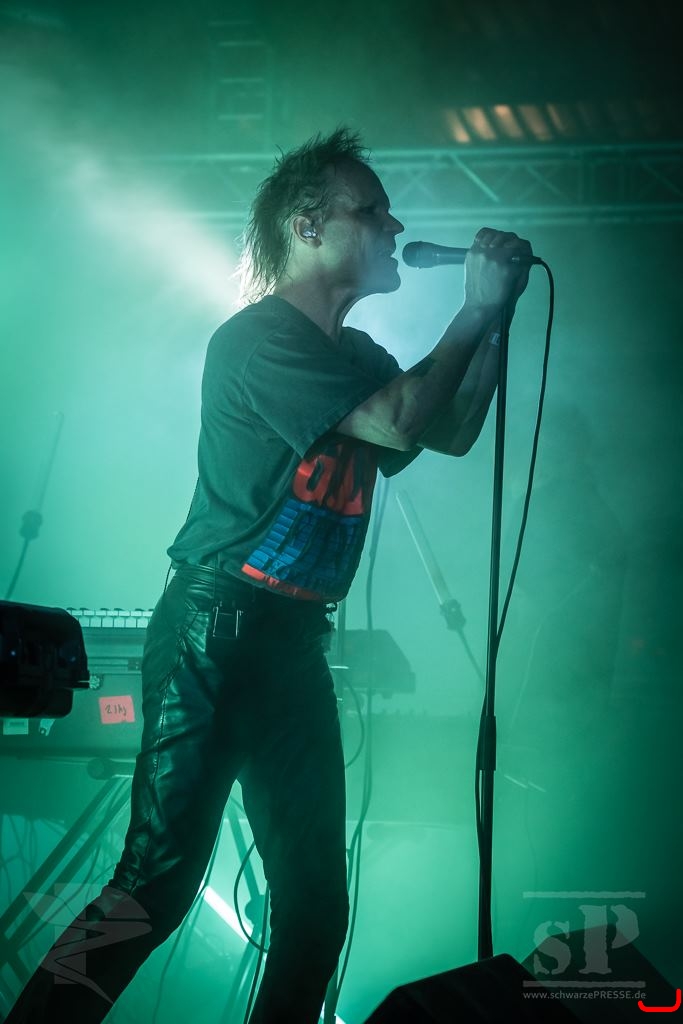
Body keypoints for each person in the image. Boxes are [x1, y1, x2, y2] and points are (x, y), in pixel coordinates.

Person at [6, 128, 531, 1024]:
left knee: (317, 908)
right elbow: (401, 421)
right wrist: (471, 311)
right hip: (213, 638)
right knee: (152, 887)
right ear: (308, 226)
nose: (394, 225)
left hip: (292, 651)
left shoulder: (357, 356)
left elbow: (452, 428)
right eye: (372, 210)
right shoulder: (256, 342)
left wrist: (497, 316)